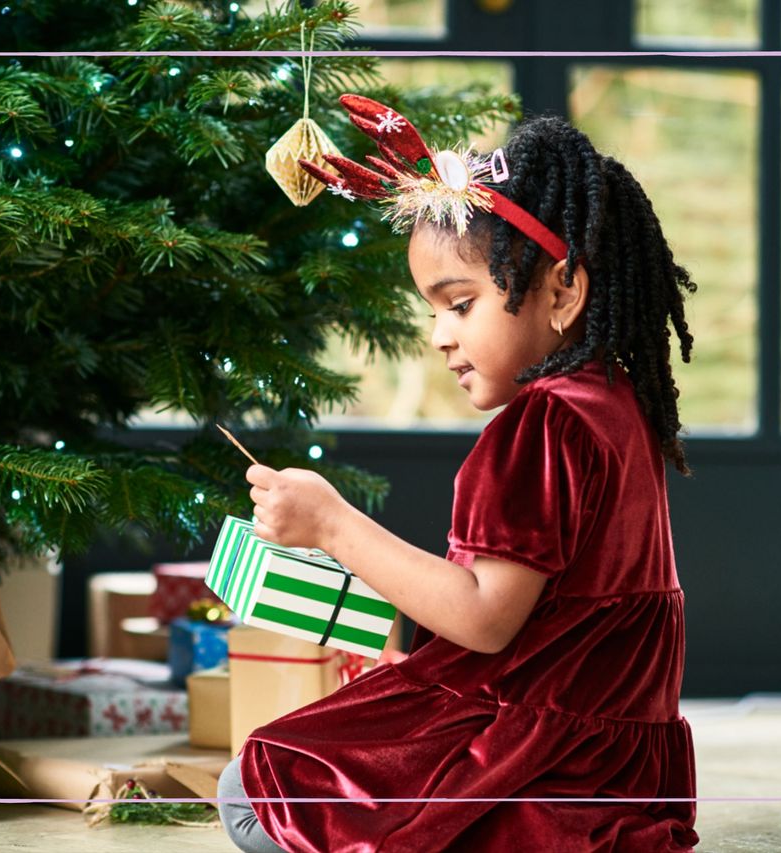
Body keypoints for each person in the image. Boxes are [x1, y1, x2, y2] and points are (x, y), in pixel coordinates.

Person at [218, 94, 700, 852]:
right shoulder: (616, 403)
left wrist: (332, 522)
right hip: (621, 762)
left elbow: (483, 616)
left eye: (461, 303)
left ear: (563, 291)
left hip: (541, 761)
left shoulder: (541, 424)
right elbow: (550, 621)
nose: (441, 337)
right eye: (431, 311)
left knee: (256, 784)